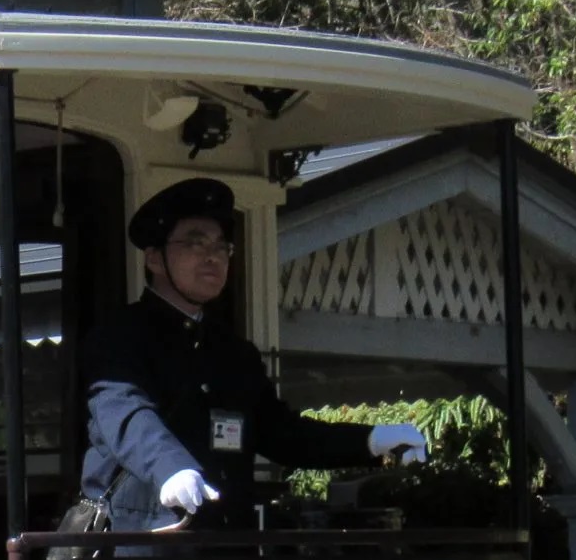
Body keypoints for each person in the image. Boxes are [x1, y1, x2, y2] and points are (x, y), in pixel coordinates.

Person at [79, 177, 426, 530]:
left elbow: (280, 433)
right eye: (195, 243)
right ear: (154, 257)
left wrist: (371, 440)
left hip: (226, 545)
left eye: (221, 246)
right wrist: (170, 468)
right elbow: (125, 413)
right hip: (141, 547)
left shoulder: (232, 353)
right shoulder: (119, 336)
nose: (213, 256)